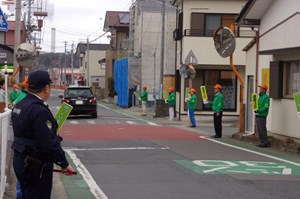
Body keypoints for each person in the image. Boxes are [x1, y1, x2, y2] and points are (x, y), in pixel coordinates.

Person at [11, 70, 75, 199]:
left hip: (20, 159)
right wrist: (64, 163)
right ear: (46, 88)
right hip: (36, 165)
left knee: (26, 194)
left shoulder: (19, 105)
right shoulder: (39, 110)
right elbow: (48, 143)